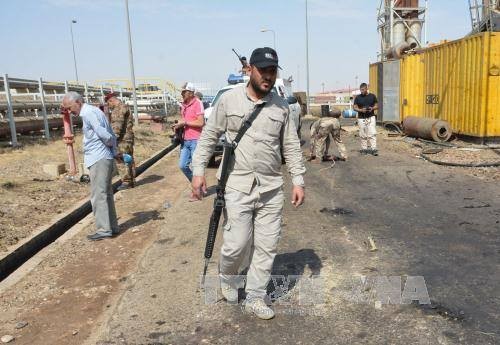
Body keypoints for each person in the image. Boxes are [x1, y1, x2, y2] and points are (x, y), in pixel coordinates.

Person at [191, 47, 306, 320]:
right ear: (249, 70)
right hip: (236, 185)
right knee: (237, 244)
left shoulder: (281, 106)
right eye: (263, 70)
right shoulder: (229, 100)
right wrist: (198, 172)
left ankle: (255, 296)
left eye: (272, 71)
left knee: (267, 246)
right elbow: (208, 137)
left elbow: (290, 145)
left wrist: (298, 180)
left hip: (270, 187)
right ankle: (228, 276)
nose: (268, 76)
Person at [61, 91, 119, 241]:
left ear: (78, 102)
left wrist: (110, 147)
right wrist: (113, 150)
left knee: (98, 195)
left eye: (69, 107)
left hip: (98, 158)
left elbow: (105, 135)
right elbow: (109, 133)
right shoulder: (93, 111)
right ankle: (111, 227)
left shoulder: (88, 114)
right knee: (106, 194)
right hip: (103, 156)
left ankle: (104, 229)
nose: (69, 111)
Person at [172, 82, 205, 187]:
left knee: (196, 167)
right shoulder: (184, 105)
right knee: (182, 166)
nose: (182, 94)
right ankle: (197, 185)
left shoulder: (198, 103)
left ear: (191, 93)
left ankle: (197, 189)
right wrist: (178, 126)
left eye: (184, 92)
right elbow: (185, 120)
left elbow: (201, 122)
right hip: (185, 140)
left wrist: (185, 123)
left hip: (196, 140)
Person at [105, 93, 135, 189]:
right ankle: (131, 179)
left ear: (111, 101)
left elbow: (117, 125)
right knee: (129, 158)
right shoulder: (125, 106)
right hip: (128, 138)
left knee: (121, 159)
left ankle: (126, 182)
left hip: (122, 139)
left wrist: (113, 139)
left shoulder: (118, 109)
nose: (109, 107)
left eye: (109, 104)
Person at [353, 83, 379, 156]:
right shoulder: (358, 97)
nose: (361, 91)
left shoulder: (372, 96)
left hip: (371, 117)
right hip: (361, 118)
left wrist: (372, 108)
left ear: (366, 88)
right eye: (361, 90)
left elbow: (377, 106)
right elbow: (354, 107)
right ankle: (364, 149)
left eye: (363, 90)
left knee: (372, 133)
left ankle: (374, 149)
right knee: (362, 134)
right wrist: (361, 110)